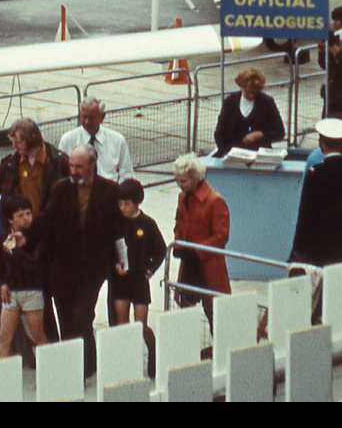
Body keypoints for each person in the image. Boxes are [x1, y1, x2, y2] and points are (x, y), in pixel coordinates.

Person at [38, 145, 120, 377]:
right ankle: (79, 365)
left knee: (81, 315)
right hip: (63, 265)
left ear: (92, 166)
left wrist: (121, 259)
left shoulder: (109, 191)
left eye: (78, 167)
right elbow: (46, 218)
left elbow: (118, 229)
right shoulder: (60, 189)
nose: (73, 171)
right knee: (66, 318)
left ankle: (83, 367)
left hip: (93, 267)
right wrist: (27, 234)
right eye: (71, 166)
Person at [290, 119, 342, 270]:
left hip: (322, 248)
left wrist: (299, 248)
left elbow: (306, 214)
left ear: (321, 145)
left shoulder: (315, 174)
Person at [171, 152, 230, 327]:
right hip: (189, 262)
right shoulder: (183, 197)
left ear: (196, 178)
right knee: (185, 306)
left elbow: (221, 236)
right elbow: (179, 224)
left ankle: (219, 347)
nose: (179, 185)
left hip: (208, 263)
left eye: (183, 181)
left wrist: (196, 250)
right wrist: (178, 243)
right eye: (177, 180)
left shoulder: (215, 201)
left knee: (213, 311)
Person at [0, 194, 48, 360]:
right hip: (11, 293)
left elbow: (34, 264)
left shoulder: (36, 236)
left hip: (31, 291)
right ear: (11, 220)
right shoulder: (4, 237)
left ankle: (54, 368)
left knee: (37, 335)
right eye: (20, 215)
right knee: (4, 338)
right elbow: (0, 263)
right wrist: (2, 284)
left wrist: (16, 250)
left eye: (28, 213)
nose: (26, 218)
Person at [110, 178, 166, 336]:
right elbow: (109, 248)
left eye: (127, 204)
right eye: (120, 204)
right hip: (121, 280)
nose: (123, 208)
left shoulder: (147, 224)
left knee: (141, 326)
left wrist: (150, 270)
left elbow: (161, 250)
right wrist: (115, 264)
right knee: (122, 325)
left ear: (137, 203)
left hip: (139, 279)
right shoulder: (116, 223)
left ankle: (152, 350)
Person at [213, 67, 285, 157]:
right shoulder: (230, 101)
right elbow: (220, 133)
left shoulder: (267, 102)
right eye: (248, 92)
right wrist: (225, 151)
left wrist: (260, 135)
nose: (251, 95)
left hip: (258, 154)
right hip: (234, 154)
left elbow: (280, 132)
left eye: (254, 93)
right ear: (242, 87)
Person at [58, 98, 134, 183]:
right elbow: (61, 175)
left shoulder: (118, 140)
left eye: (91, 118)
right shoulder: (67, 140)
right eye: (83, 117)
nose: (86, 122)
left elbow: (127, 174)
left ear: (102, 117)